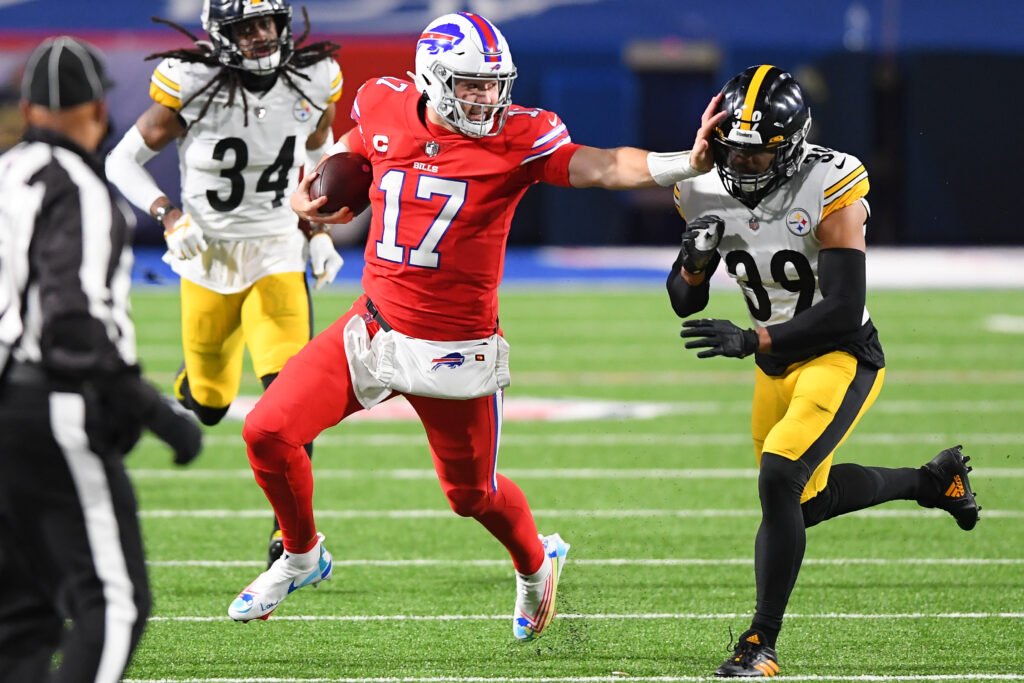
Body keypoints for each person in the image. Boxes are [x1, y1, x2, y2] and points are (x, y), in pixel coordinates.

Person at [224, 11, 726, 639]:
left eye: (494, 84)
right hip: (373, 325)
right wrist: (309, 190)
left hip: (454, 350)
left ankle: (537, 564)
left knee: (472, 496)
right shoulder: (383, 102)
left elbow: (601, 166)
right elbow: (353, 150)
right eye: (471, 85)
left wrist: (688, 161)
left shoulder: (520, 137)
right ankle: (301, 555)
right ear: (433, 80)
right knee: (267, 431)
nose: (487, 97)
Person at [666, 64, 981, 677]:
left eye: (760, 156)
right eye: (736, 151)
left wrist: (753, 336)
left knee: (780, 479)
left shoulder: (830, 184)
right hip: (773, 361)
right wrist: (695, 266)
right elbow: (684, 301)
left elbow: (839, 311)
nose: (745, 166)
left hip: (840, 355)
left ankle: (760, 644)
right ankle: (932, 481)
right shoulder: (700, 188)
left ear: (793, 146)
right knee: (802, 505)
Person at [105, 0, 345, 566]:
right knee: (210, 403)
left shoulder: (314, 77)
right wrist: (169, 215)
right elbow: (121, 162)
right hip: (207, 256)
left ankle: (292, 536)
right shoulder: (192, 84)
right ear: (221, 35)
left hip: (276, 252)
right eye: (247, 26)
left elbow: (319, 150)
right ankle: (197, 386)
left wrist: (315, 228)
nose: (262, 36)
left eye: (269, 23)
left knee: (291, 399)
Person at [0, 36, 202, 682]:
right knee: (113, 603)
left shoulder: (5, 173)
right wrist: (148, 408)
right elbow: (70, 322)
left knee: (24, 614)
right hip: (43, 403)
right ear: (96, 108)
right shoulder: (80, 188)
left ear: (30, 109)